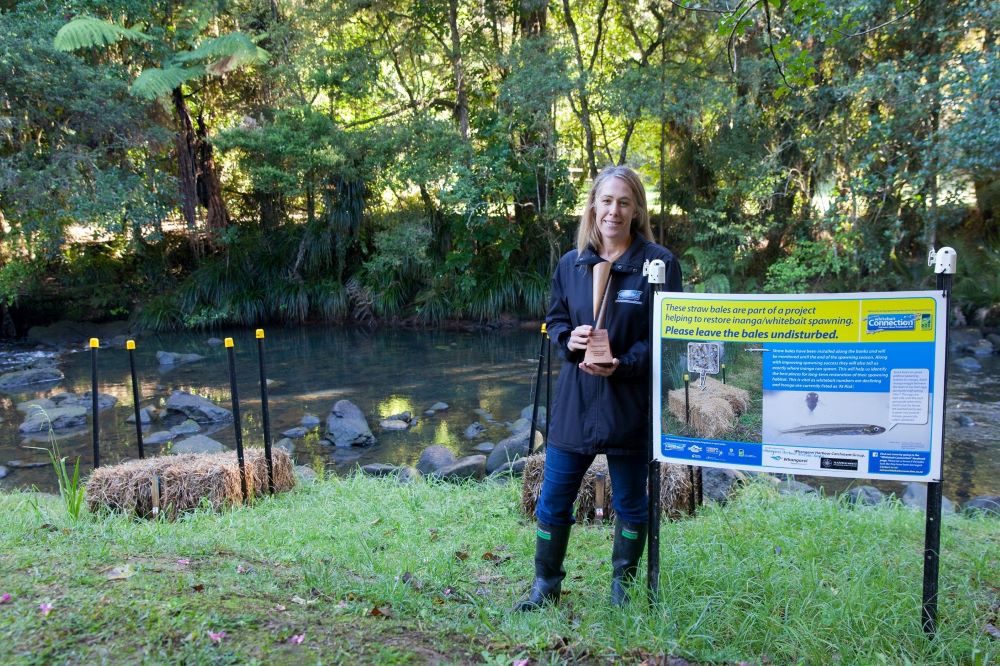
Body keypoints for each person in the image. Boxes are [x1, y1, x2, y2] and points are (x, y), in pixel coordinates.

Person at [514, 165, 682, 611]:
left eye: (624, 202)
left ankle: (622, 592)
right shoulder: (571, 264)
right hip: (575, 403)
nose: (614, 210)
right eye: (606, 201)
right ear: (593, 206)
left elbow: (669, 339)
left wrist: (623, 364)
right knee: (552, 501)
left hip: (629, 404)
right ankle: (544, 589)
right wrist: (566, 339)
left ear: (636, 209)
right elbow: (555, 320)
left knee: (631, 503)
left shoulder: (659, 264)